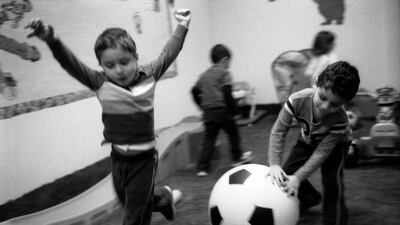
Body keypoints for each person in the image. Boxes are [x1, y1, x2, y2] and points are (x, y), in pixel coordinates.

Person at [26, 8, 191, 225]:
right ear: (102, 66)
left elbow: (169, 52)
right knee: (131, 201)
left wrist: (183, 25)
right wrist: (51, 39)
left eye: (125, 62)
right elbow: (71, 64)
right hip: (118, 159)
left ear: (136, 57)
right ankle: (163, 200)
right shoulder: (99, 82)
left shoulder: (150, 74)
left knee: (134, 216)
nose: (119, 70)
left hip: (144, 161)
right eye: (110, 65)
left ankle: (157, 201)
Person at [268, 61, 360, 225]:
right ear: (316, 83)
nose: (325, 107)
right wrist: (274, 164)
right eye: (323, 97)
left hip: (337, 145)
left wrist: (298, 178)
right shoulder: (296, 100)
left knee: (332, 182)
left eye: (335, 104)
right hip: (308, 138)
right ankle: (310, 198)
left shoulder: (340, 119)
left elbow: (321, 153)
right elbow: (278, 131)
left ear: (344, 103)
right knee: (286, 172)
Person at [191, 44, 253, 177]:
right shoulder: (225, 73)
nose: (229, 64)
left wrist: (202, 106)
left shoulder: (204, 75)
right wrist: (235, 112)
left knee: (209, 139)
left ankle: (202, 168)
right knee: (233, 133)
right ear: (224, 60)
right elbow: (227, 93)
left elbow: (194, 91)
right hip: (223, 111)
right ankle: (237, 158)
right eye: (229, 61)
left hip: (208, 112)